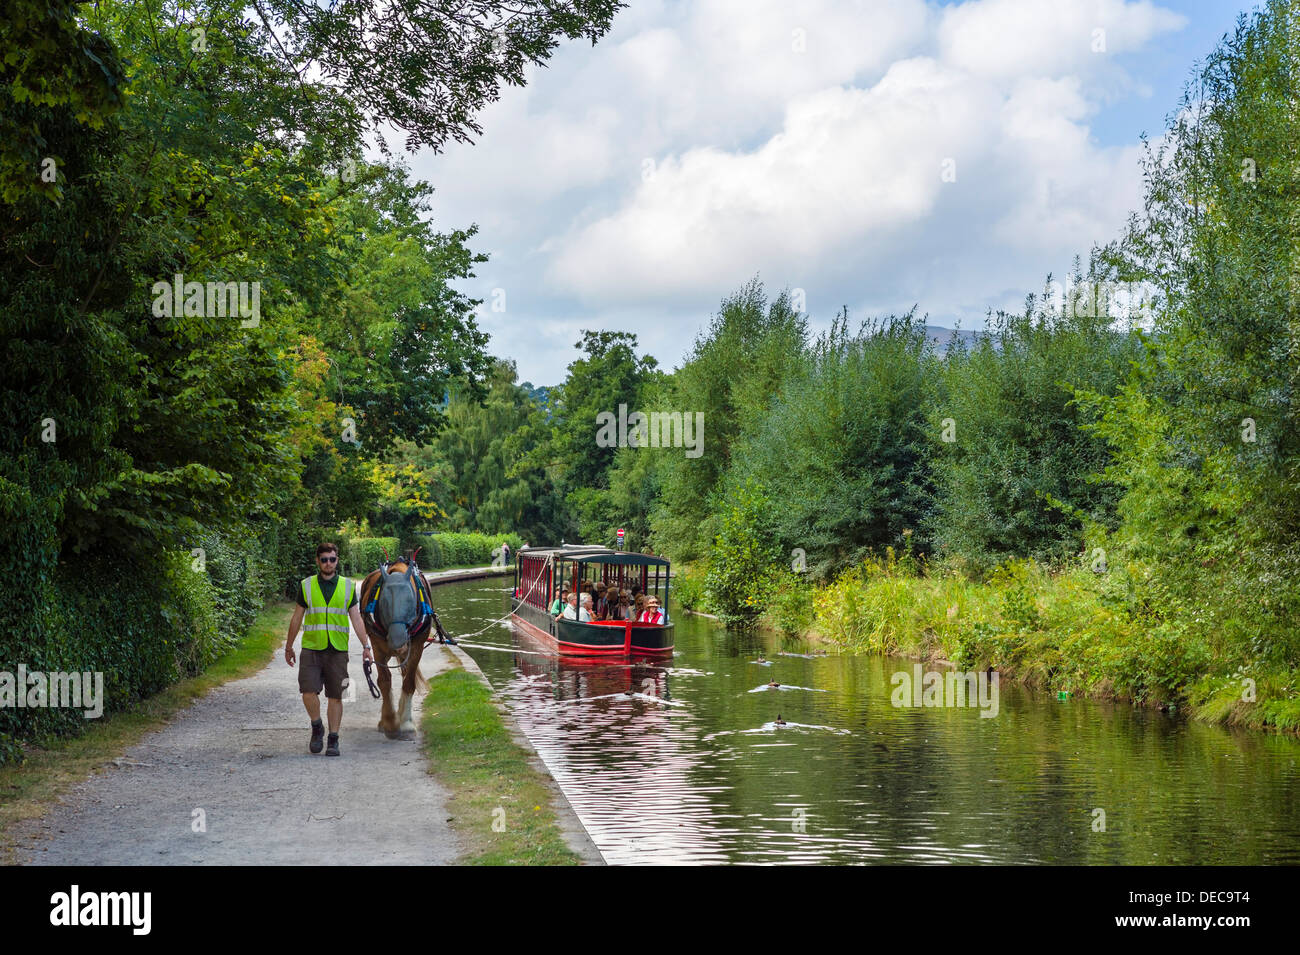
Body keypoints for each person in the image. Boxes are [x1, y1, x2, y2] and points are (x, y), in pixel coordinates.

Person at [284, 542, 374, 757]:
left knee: (337, 695)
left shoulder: (348, 586)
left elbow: (356, 619)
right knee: (307, 691)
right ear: (317, 561)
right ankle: (317, 726)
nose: (328, 563)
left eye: (332, 559)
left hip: (337, 650)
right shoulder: (306, 585)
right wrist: (289, 646)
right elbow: (297, 617)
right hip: (311, 648)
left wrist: (366, 646)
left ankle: (333, 739)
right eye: (324, 559)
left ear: (337, 560)